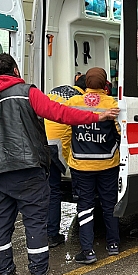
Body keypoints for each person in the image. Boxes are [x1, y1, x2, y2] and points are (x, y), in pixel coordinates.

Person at [0, 54, 119, 275]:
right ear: (16, 70)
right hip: (29, 171)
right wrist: (99, 117)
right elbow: (60, 113)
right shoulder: (28, 93)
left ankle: (6, 273)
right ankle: (38, 272)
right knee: (35, 223)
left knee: (0, 225)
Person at [65, 67, 121, 265]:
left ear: (85, 83)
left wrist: (67, 157)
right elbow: (120, 132)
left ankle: (87, 251)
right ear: (105, 84)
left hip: (81, 165)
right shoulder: (111, 103)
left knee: (85, 206)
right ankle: (113, 244)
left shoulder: (73, 102)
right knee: (109, 204)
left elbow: (66, 131)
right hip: (107, 163)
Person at [43, 75, 86, 249]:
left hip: (40, 141)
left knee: (43, 189)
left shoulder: (55, 91)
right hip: (56, 147)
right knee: (54, 191)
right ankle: (52, 234)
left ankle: (41, 232)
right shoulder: (79, 99)